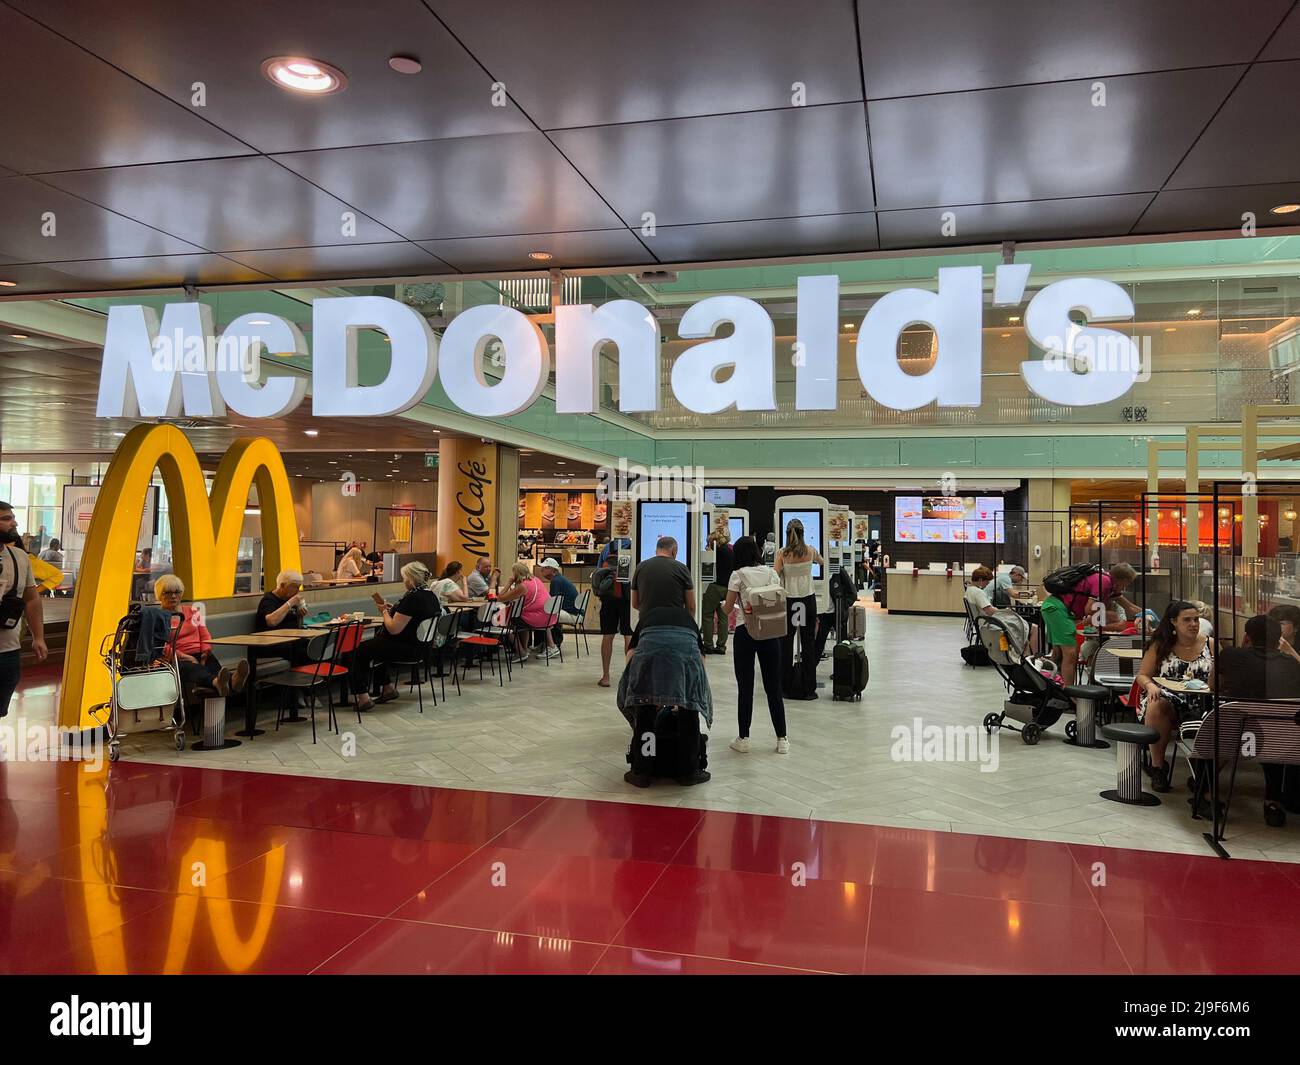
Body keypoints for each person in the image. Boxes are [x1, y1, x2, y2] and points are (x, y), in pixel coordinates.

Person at [1211, 614, 1300, 826]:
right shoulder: (1292, 665)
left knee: (1218, 734)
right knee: (1274, 736)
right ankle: (1273, 802)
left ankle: (1206, 793)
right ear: (1279, 639)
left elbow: (1214, 685)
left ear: (1247, 636)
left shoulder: (1232, 655)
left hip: (1238, 733)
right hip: (1280, 739)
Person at [617, 601, 713, 787]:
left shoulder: (646, 617)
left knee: (646, 714)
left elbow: (631, 653)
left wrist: (643, 691)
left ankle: (643, 771)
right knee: (689, 711)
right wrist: (686, 694)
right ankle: (689, 771)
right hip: (686, 650)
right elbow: (700, 659)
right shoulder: (689, 619)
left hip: (649, 649)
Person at [1134, 600, 1213, 792]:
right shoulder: (1161, 644)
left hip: (1202, 701)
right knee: (1156, 705)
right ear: (1173, 622)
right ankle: (1158, 767)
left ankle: (1204, 776)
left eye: (1196, 619)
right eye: (1187, 620)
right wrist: (1150, 686)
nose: (1193, 624)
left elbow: (1222, 675)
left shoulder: (1210, 644)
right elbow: (1142, 675)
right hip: (1167, 697)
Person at [723, 535, 788, 754]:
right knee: (773, 687)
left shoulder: (737, 575)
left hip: (745, 632)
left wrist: (721, 607)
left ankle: (744, 738)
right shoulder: (771, 573)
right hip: (770, 632)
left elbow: (729, 606)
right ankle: (782, 739)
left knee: (745, 687)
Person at [351, 562, 442, 711]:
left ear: (411, 579)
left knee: (359, 651)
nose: (403, 581)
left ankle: (363, 697)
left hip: (407, 648)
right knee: (377, 645)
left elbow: (393, 628)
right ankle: (387, 688)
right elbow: (411, 617)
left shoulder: (413, 598)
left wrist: (384, 612)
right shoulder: (430, 596)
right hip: (423, 647)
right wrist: (394, 609)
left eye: (404, 578)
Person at [153, 574, 247, 698]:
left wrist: (205, 652)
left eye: (177, 592)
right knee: (195, 668)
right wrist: (186, 657)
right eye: (168, 593)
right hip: (176, 659)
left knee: (212, 664)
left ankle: (230, 681)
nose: (173, 596)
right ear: (160, 594)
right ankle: (223, 682)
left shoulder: (193, 611)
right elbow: (162, 647)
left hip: (201, 653)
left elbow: (204, 634)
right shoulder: (157, 617)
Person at [0, 502, 47, 717]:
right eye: (6, 518)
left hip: (8, 650)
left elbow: (32, 599)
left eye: (12, 517)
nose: (14, 523)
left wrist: (39, 637)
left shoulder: (20, 557)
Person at [775, 518, 823, 700]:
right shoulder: (810, 551)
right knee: (808, 644)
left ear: (788, 535)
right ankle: (809, 687)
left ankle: (786, 687)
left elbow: (775, 573)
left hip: (790, 602)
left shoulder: (782, 553)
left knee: (786, 645)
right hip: (807, 601)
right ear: (803, 533)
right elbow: (822, 561)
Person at [497, 561, 559, 662]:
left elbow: (500, 598)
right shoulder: (536, 579)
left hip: (538, 618)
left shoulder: (523, 586)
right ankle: (524, 649)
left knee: (502, 621)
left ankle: (521, 651)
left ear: (516, 574)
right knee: (520, 617)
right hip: (548, 615)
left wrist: (508, 583)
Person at [593, 546, 631, 687]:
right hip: (627, 600)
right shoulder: (634, 548)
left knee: (608, 637)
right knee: (629, 637)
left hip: (608, 600)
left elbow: (598, 572)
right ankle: (629, 677)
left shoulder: (607, 548)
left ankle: (606, 676)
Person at [631, 536, 695, 616]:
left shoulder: (640, 567)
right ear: (674, 551)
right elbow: (691, 607)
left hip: (648, 623)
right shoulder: (682, 568)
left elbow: (635, 603)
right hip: (674, 623)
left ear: (656, 550)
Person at [701, 530, 734, 655]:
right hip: (727, 588)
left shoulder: (714, 553)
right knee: (723, 616)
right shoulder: (731, 551)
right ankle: (721, 646)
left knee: (707, 614)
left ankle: (708, 645)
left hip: (715, 587)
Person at [537, 558, 581, 625]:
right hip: (575, 612)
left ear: (552, 570)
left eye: (545, 568)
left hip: (572, 614)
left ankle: (551, 635)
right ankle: (554, 635)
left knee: (541, 615)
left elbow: (553, 604)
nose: (541, 570)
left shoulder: (556, 581)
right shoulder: (559, 578)